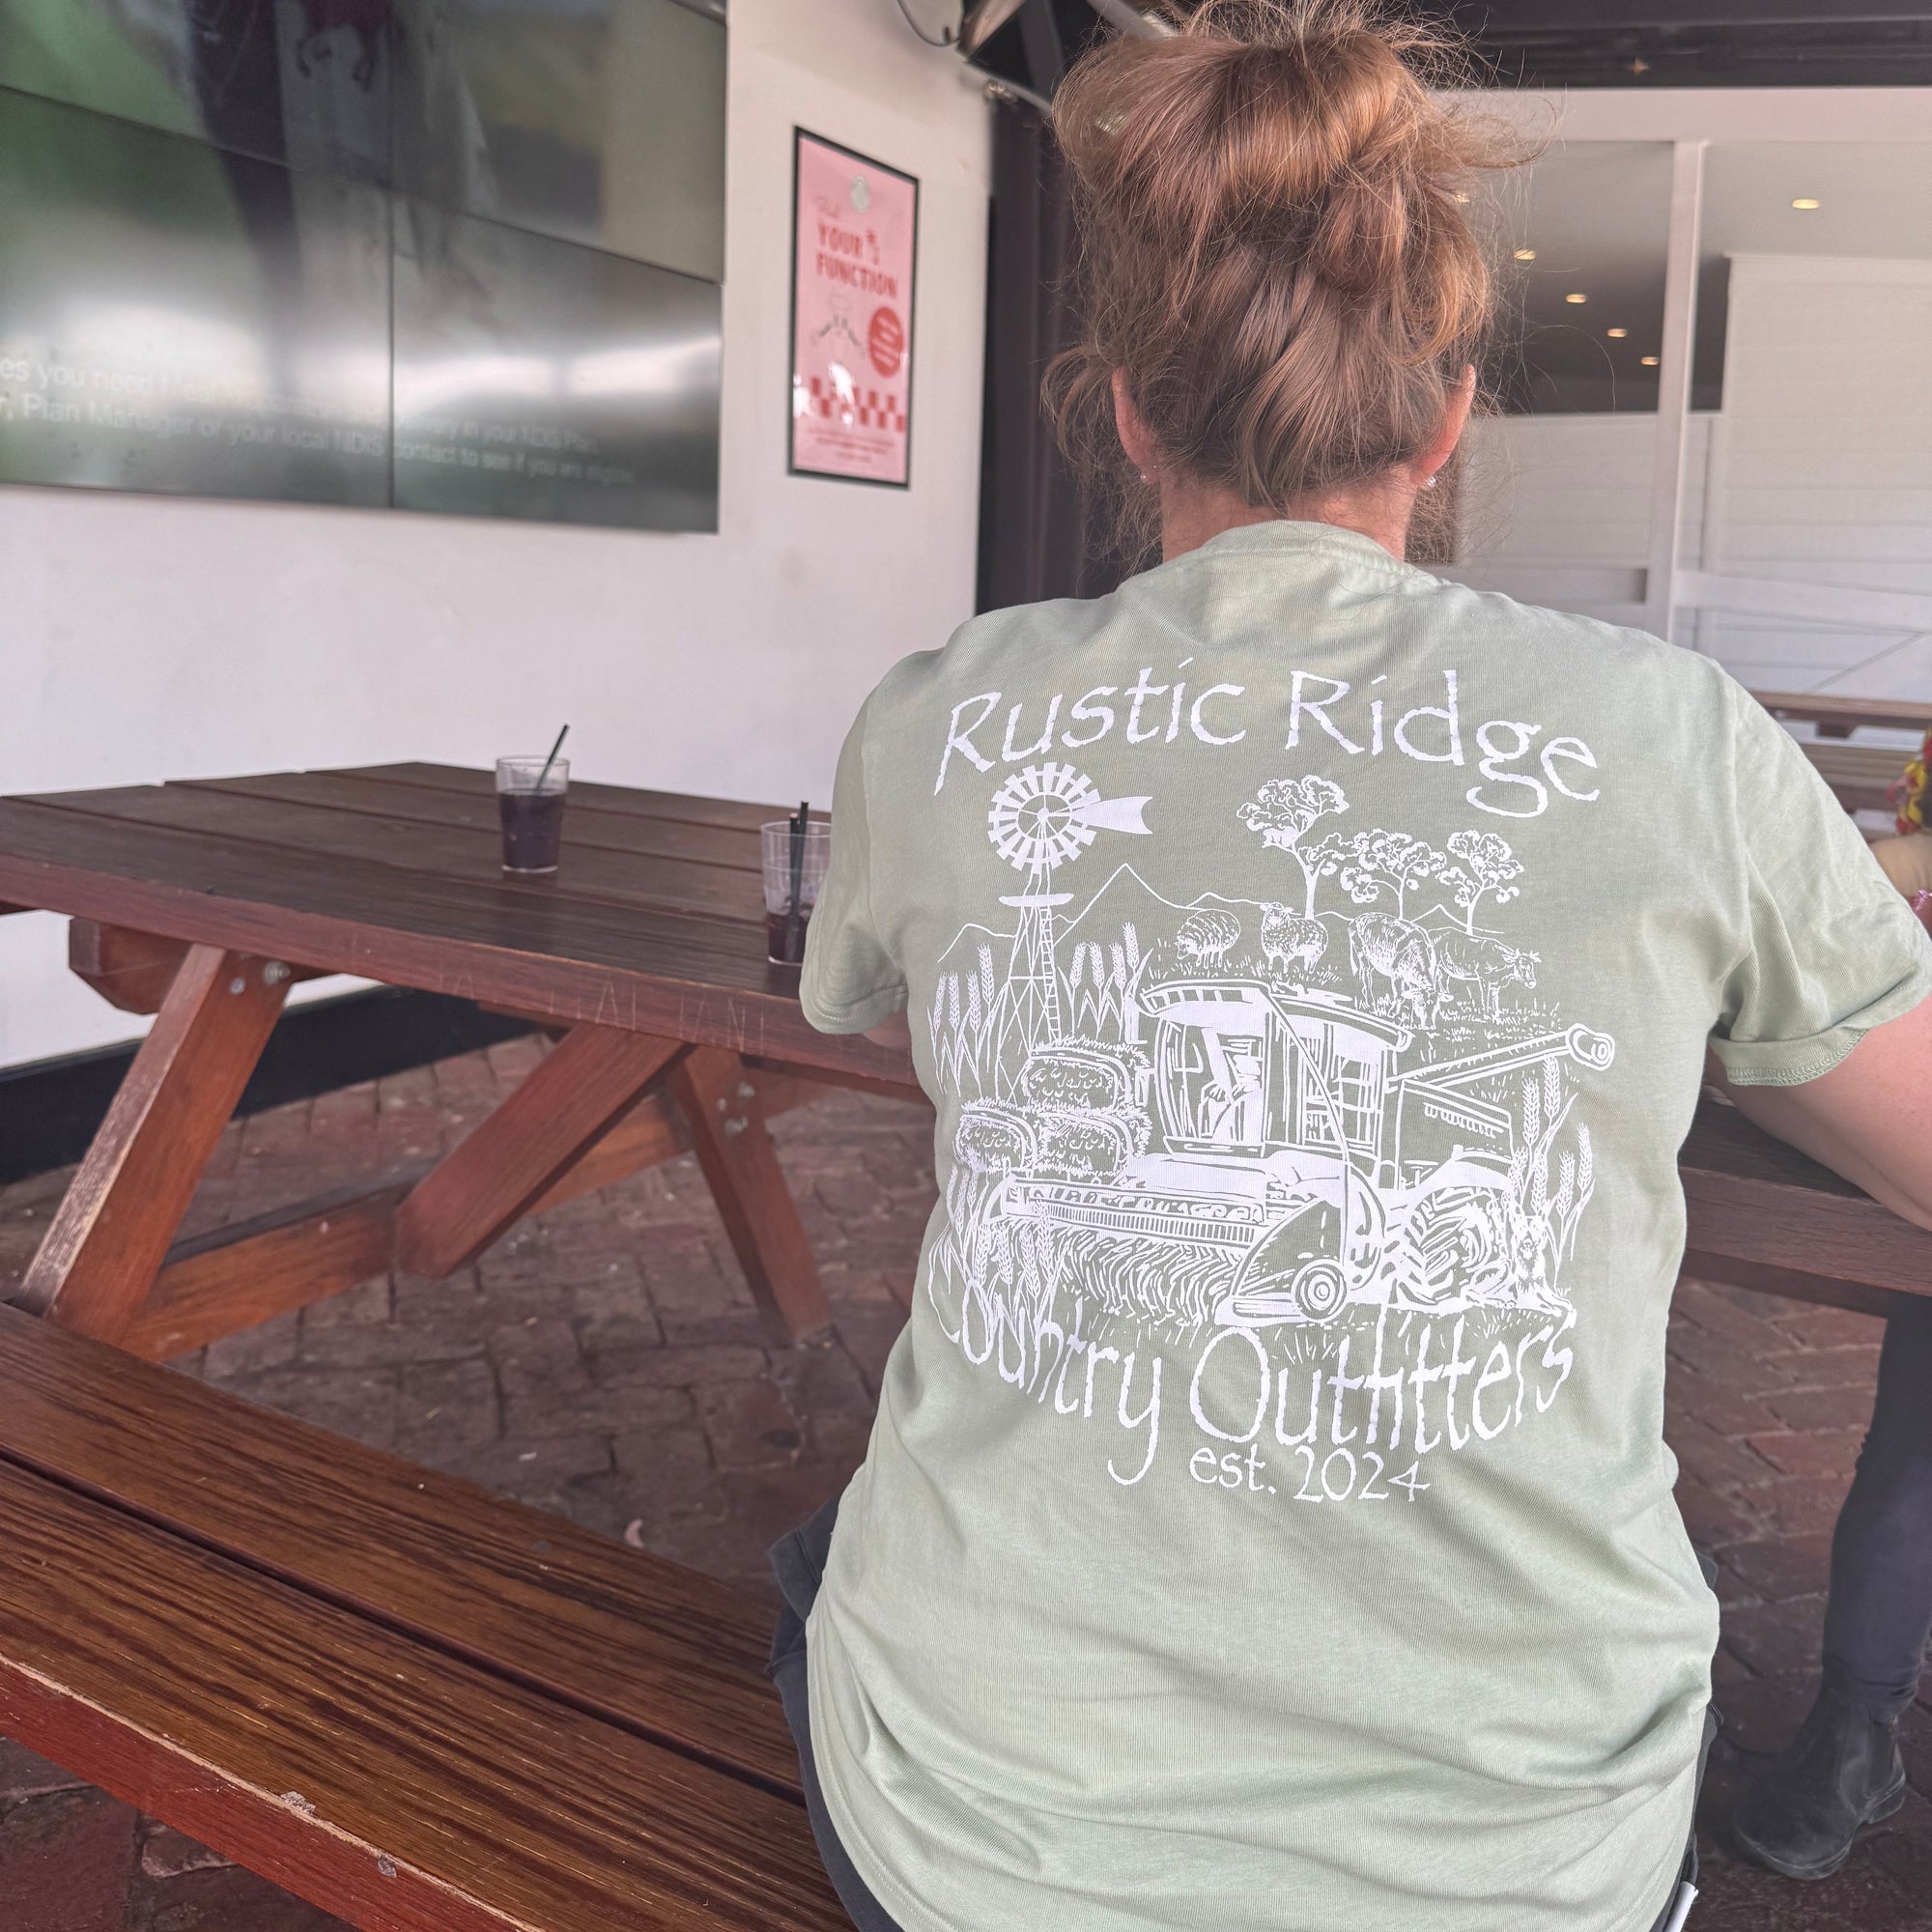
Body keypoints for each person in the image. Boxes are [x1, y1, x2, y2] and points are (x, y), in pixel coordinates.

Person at [768, 7, 1932, 1930]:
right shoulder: (1673, 735)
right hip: (1514, 1860)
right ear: (1451, 411)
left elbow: (922, 1021)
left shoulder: (937, 722)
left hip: (988, 1841)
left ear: (1130, 408)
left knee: (826, 1567)